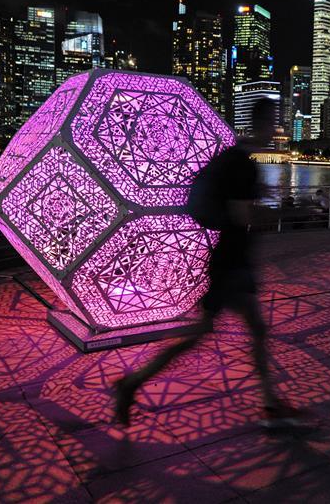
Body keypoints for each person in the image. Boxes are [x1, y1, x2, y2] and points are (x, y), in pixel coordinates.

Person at [113, 99, 298, 427]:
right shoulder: (243, 164)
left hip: (231, 261)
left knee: (247, 331)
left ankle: (270, 402)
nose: (276, 127)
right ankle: (131, 384)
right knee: (213, 334)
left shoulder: (234, 157)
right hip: (232, 264)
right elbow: (243, 216)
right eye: (273, 121)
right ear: (263, 122)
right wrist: (294, 211)